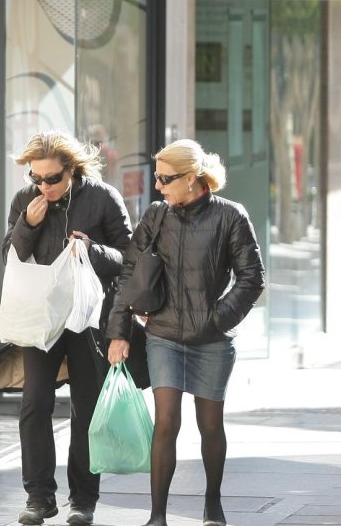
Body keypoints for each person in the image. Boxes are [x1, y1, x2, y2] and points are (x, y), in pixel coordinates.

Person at [106, 139, 265, 526]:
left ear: (192, 178)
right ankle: (157, 515)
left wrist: (218, 318)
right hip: (163, 335)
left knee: (210, 425)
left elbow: (252, 277)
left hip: (212, 339)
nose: (157, 186)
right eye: (157, 177)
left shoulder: (230, 216)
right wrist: (119, 332)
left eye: (165, 178)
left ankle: (212, 503)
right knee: (166, 421)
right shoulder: (156, 216)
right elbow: (129, 275)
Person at [3, 131, 133, 526]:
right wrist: (28, 224)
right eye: (36, 178)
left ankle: (83, 500)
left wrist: (92, 250)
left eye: (53, 178)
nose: (44, 186)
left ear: (72, 170)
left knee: (87, 408)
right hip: (43, 318)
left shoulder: (103, 197)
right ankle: (39, 497)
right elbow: (10, 255)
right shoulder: (26, 201)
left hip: (89, 319)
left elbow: (129, 259)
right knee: (34, 404)